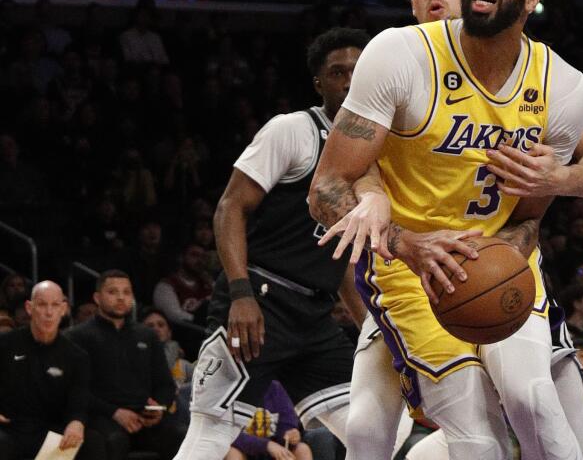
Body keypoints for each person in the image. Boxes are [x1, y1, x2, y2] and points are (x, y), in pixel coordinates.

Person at [324, 0, 583, 460]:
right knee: (462, 436)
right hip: (410, 267)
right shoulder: (398, 54)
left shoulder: (562, 86)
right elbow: (329, 184)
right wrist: (406, 242)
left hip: (500, 260)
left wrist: (552, 185)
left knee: (540, 411)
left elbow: (561, 198)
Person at [173, 28, 372, 460]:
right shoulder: (292, 130)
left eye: (358, 71)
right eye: (338, 72)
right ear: (320, 83)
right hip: (260, 301)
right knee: (208, 437)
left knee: (374, 432)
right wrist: (240, 294)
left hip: (315, 317)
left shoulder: (374, 156)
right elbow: (229, 208)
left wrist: (369, 328)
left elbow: (342, 259)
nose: (349, 80)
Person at [66, 270, 186, 460]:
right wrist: (114, 412)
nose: (121, 297)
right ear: (97, 297)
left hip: (144, 417)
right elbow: (75, 389)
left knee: (182, 435)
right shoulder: (78, 336)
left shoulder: (147, 335)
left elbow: (165, 384)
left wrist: (159, 408)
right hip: (103, 415)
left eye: (126, 292)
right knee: (113, 440)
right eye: (113, 292)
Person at [0, 281, 106, 460]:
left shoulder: (76, 356)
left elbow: (79, 400)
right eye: (42, 305)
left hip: (51, 428)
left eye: (55, 305)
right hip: (10, 427)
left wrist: (76, 422)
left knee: (93, 442)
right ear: (29, 308)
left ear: (63, 309)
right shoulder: (5, 344)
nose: (48, 313)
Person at [227, 381, 313, 460]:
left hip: (275, 449)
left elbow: (288, 421)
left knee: (302, 449)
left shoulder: (273, 387)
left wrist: (290, 434)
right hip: (242, 448)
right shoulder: (226, 388)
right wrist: (266, 445)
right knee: (232, 453)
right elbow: (227, 434)